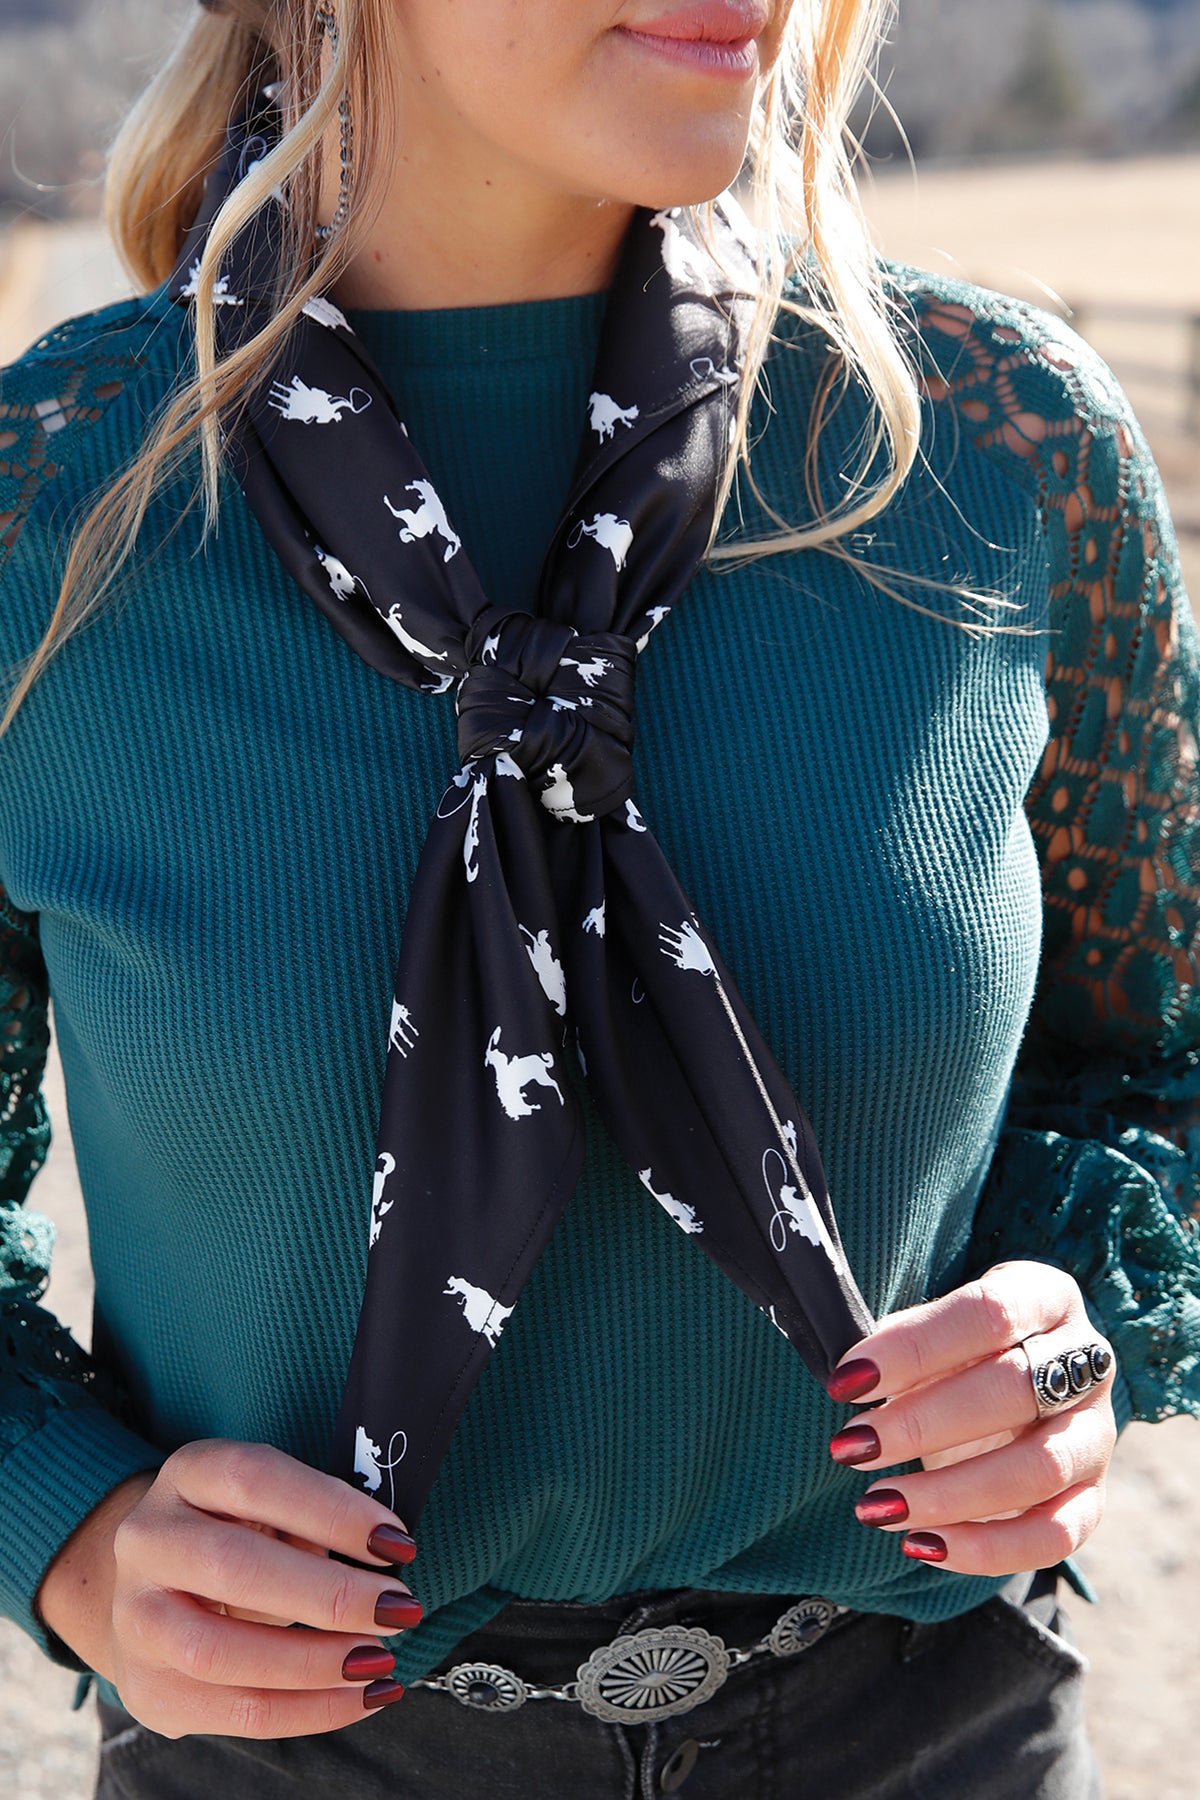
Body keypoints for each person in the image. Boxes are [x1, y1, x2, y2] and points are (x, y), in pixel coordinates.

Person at [0, 0, 1197, 1794]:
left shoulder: (993, 448)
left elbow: (1169, 1059)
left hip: (935, 1731)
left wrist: (1066, 1318)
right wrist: (66, 1525)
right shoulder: (50, 515)